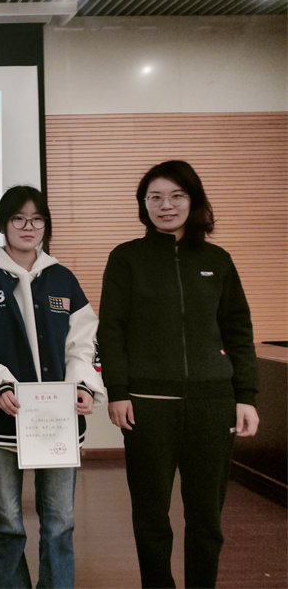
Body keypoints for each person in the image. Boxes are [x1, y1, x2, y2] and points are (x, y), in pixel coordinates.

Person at [98, 160, 259, 588]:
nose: (165, 205)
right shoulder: (126, 258)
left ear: (193, 200)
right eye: (155, 197)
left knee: (206, 518)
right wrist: (118, 391)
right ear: (143, 204)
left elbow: (238, 331)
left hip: (213, 405)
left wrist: (246, 396)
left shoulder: (217, 260)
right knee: (151, 516)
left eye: (176, 196)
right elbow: (111, 330)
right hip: (148, 407)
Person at [0, 185, 106, 589]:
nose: (28, 226)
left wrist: (82, 387)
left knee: (60, 521)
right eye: (18, 218)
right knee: (6, 521)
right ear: (3, 225)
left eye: (37, 219)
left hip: (58, 420)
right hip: (0, 420)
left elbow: (83, 342)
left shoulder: (63, 279)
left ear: (46, 225)